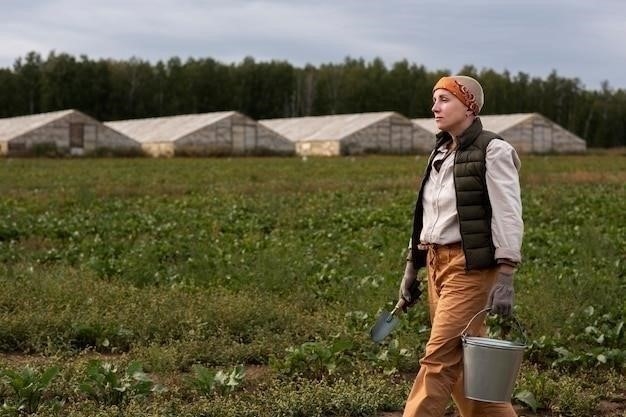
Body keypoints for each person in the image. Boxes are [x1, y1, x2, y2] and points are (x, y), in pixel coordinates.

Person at [398, 75, 523, 417]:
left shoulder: (493, 149)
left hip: (470, 269)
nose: (434, 107)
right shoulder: (439, 151)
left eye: (443, 99)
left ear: (469, 106)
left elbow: (508, 214)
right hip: (438, 264)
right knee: (465, 369)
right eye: (434, 99)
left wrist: (506, 274)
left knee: (438, 359)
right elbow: (427, 217)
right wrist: (413, 267)